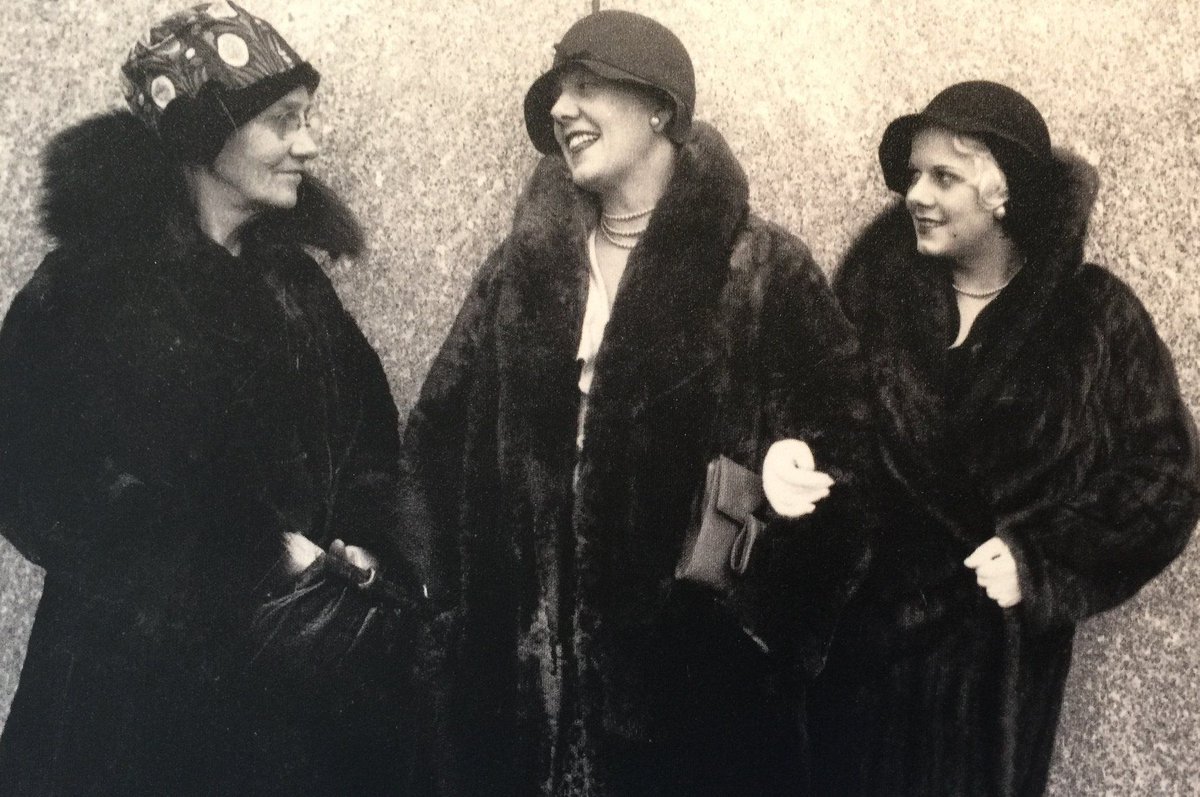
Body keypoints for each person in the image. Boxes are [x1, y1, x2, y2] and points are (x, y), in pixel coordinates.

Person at [400, 9, 874, 796]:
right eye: (556, 93)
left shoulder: (761, 268)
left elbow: (850, 462)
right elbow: (437, 434)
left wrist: (759, 624)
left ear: (660, 108)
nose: (560, 110)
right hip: (528, 707)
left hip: (694, 712)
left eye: (586, 86)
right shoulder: (524, 269)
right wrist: (454, 612)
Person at [0, 3, 424, 794]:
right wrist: (237, 557)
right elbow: (30, 475)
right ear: (206, 133)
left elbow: (370, 437)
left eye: (309, 119)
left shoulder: (296, 287)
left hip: (293, 705)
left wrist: (365, 543)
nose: (311, 143)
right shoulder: (88, 291)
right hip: (132, 710)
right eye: (283, 121)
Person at [811, 80, 1200, 796]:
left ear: (1003, 195)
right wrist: (800, 470)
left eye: (943, 177)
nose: (916, 195)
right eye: (913, 176)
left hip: (991, 681)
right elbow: (818, 426)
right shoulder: (873, 302)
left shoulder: (1091, 317)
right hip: (859, 666)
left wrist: (1041, 556)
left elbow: (1167, 476)